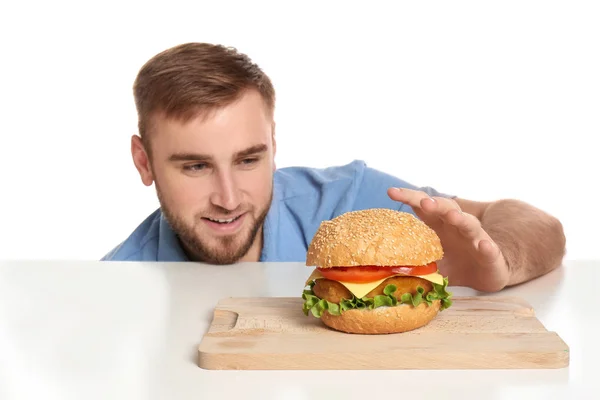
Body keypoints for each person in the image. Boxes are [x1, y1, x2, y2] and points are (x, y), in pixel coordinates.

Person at [102, 42, 566, 293]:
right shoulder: (112, 288)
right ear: (144, 162)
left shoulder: (345, 202)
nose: (228, 197)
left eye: (248, 160)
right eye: (196, 167)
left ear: (274, 144)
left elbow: (531, 222)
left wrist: (499, 263)